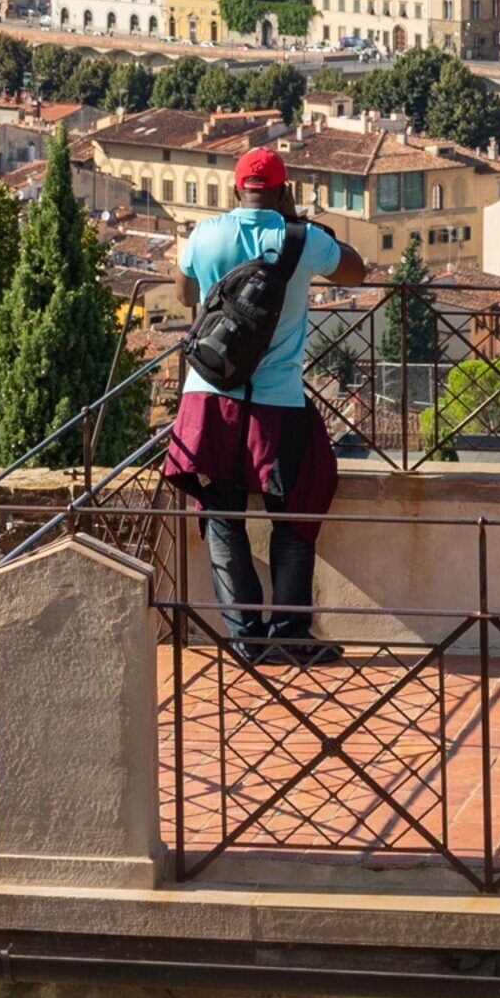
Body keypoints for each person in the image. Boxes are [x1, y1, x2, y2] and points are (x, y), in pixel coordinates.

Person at [169, 147, 369, 662]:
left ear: (237, 189)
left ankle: (246, 638)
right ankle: (291, 634)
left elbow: (184, 292)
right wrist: (302, 225)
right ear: (285, 191)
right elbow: (356, 272)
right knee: (294, 512)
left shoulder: (205, 233)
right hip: (277, 403)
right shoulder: (301, 240)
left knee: (220, 513)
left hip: (208, 396)